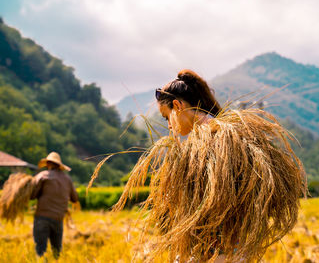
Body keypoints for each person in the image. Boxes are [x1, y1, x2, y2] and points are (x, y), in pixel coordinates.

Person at [100, 69, 306, 262]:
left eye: (166, 117)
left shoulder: (216, 141)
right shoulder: (228, 135)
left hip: (217, 251)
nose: (169, 125)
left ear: (178, 106)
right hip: (233, 249)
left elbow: (214, 204)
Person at [30, 152, 79, 259]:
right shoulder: (67, 179)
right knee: (56, 251)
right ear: (59, 165)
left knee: (41, 251)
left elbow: (32, 195)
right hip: (58, 219)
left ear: (48, 164)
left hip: (42, 218)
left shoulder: (43, 176)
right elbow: (75, 198)